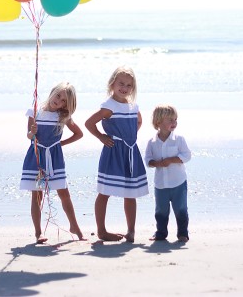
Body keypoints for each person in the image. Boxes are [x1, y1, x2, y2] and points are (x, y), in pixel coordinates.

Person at [85, 66, 149, 243]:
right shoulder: (109, 106)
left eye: (129, 85)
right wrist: (102, 137)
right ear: (112, 83)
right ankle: (102, 231)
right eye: (121, 83)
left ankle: (131, 231)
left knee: (131, 193)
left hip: (130, 151)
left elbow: (139, 121)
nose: (125, 88)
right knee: (105, 192)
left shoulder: (133, 106)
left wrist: (130, 137)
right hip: (113, 152)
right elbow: (89, 123)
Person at [20, 82, 86, 244]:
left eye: (64, 101)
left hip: (54, 158)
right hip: (36, 157)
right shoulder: (35, 112)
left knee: (64, 193)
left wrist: (60, 144)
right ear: (52, 92)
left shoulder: (62, 117)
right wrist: (32, 132)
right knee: (37, 195)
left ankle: (75, 226)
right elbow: (29, 137)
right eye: (58, 96)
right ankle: (38, 233)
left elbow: (79, 134)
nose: (59, 101)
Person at [145, 105, 191, 243]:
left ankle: (183, 233)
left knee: (181, 209)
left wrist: (171, 160)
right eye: (170, 120)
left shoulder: (179, 139)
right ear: (158, 122)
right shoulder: (152, 142)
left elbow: (187, 156)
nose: (174, 123)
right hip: (161, 184)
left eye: (175, 119)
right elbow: (147, 160)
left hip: (178, 182)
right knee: (161, 210)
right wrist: (157, 163)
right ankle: (161, 232)